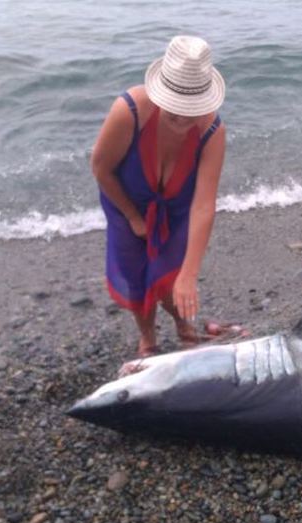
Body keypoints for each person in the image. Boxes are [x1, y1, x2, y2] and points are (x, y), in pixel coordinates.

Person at [92, 35, 227, 357]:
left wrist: (190, 274)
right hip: (125, 200)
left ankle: (185, 326)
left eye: (190, 113)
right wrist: (134, 218)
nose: (182, 123)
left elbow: (204, 203)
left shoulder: (212, 131)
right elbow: (101, 169)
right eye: (173, 113)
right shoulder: (130, 111)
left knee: (172, 276)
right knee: (135, 275)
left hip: (178, 208)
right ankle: (148, 337)